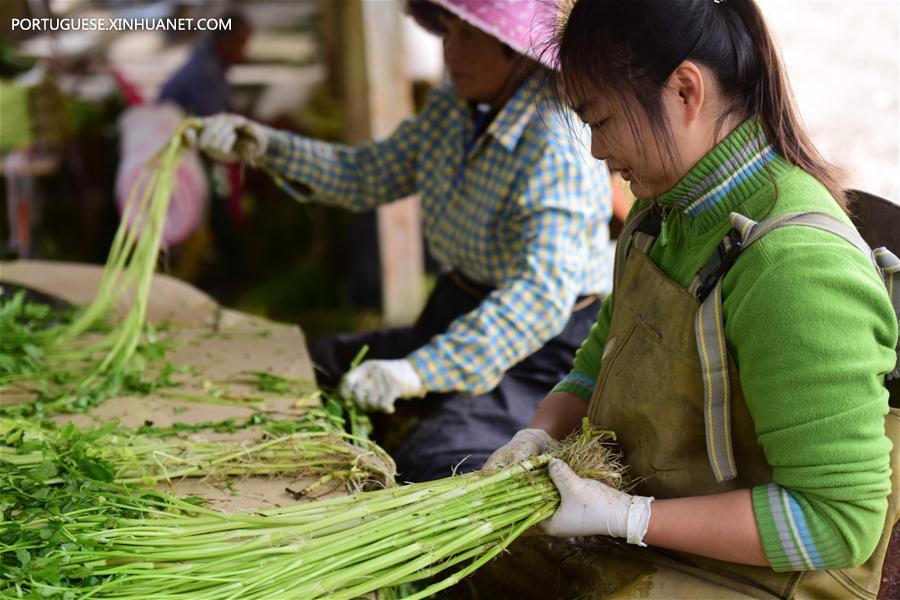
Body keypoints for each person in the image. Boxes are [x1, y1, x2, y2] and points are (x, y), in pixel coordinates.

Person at [484, 0, 899, 597]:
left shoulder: (795, 267)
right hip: (652, 537)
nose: (598, 152)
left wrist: (629, 519)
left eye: (599, 121)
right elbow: (601, 354)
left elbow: (838, 522)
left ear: (684, 90)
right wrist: (540, 435)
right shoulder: (661, 216)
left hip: (757, 575)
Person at [188, 0, 614, 483]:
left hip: (538, 350)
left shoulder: (555, 147)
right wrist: (266, 148)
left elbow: (535, 301)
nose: (450, 50)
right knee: (316, 368)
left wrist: (418, 373)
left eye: (468, 37)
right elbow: (366, 173)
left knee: (436, 458)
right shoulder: (453, 109)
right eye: (448, 33)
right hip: (458, 306)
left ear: (515, 53)